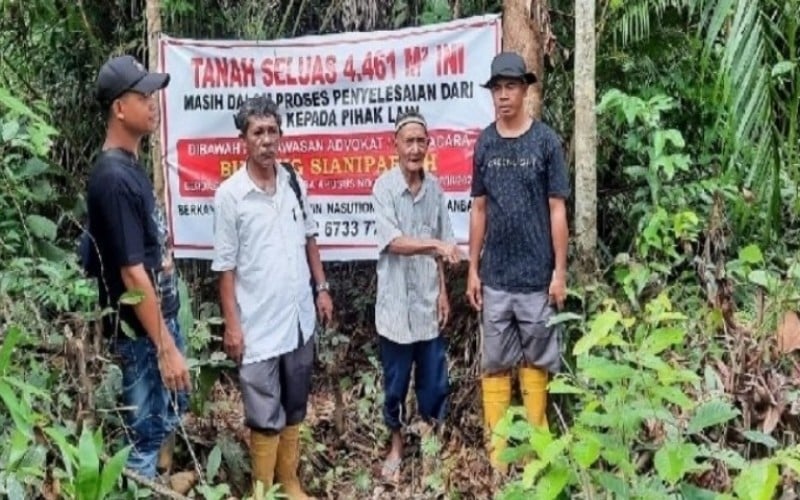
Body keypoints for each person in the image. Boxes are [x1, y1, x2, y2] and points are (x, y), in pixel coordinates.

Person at [211, 95, 334, 500]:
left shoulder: (294, 182)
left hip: (298, 317)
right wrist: (232, 324)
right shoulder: (230, 195)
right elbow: (225, 268)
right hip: (258, 324)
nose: (267, 140)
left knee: (295, 404)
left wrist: (322, 288)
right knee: (264, 412)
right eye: (257, 132)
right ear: (243, 139)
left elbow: (310, 239)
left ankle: (290, 481)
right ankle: (263, 490)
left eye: (272, 131)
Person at [83, 55, 192, 486]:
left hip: (157, 320)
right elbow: (130, 273)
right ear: (118, 108)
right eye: (142, 96)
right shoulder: (112, 178)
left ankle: (159, 482)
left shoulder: (129, 166)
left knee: (173, 409)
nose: (152, 103)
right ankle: (142, 487)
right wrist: (164, 345)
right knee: (144, 436)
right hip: (142, 333)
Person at [466, 52, 570, 473]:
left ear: (526, 90)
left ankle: (536, 451)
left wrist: (559, 272)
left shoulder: (545, 142)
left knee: (537, 362)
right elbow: (478, 209)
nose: (504, 96)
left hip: (536, 279)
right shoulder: (485, 142)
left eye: (511, 87)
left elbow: (557, 210)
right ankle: (498, 453)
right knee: (494, 364)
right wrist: (473, 267)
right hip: (495, 279)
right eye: (497, 88)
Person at [371, 110, 461, 483]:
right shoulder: (384, 188)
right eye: (408, 141)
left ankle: (429, 446)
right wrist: (437, 245)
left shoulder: (435, 189)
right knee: (394, 385)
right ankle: (395, 445)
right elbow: (394, 242)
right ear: (395, 146)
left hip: (426, 306)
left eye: (421, 141)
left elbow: (442, 248)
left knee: (434, 383)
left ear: (428, 146)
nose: (414, 148)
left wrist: (442, 291)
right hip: (394, 309)